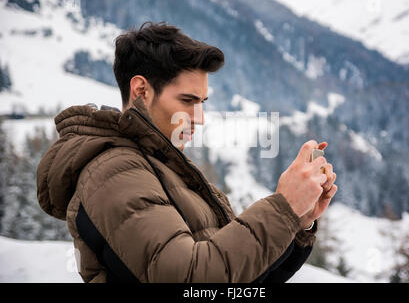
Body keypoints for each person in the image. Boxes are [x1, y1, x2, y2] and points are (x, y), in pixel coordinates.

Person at [36, 21, 337, 283]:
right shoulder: (114, 172)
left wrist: (297, 219)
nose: (200, 117)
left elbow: (243, 277)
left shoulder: (159, 166)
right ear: (141, 90)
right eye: (187, 100)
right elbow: (190, 278)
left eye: (202, 102)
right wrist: (282, 207)